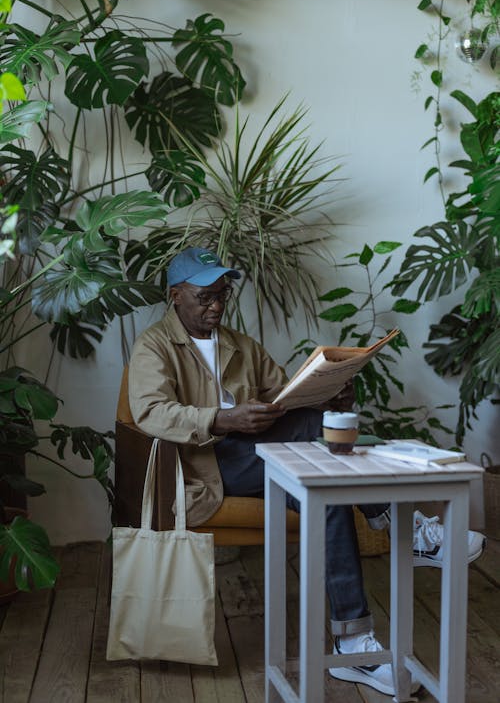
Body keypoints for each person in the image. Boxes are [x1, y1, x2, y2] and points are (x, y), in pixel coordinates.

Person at [129, 246, 485, 697]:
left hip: (261, 459)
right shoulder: (154, 346)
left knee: (327, 494)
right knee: (314, 435)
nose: (216, 305)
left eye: (222, 295)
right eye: (205, 297)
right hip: (208, 466)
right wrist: (222, 419)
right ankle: (399, 524)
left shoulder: (240, 345)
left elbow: (284, 395)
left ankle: (353, 643)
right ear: (175, 295)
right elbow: (150, 412)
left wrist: (327, 395)